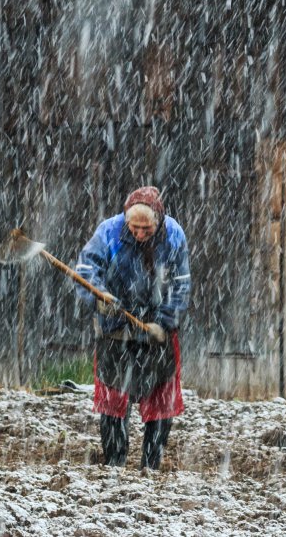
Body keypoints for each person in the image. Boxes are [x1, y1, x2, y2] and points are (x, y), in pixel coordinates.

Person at [75, 186, 190, 470]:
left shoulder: (174, 235)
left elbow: (181, 283)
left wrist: (164, 321)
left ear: (159, 221)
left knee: (161, 400)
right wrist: (101, 298)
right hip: (115, 329)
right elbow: (86, 272)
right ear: (126, 220)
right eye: (134, 227)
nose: (139, 234)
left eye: (146, 229)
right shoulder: (108, 232)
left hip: (156, 331)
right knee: (113, 400)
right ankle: (114, 461)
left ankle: (152, 464)